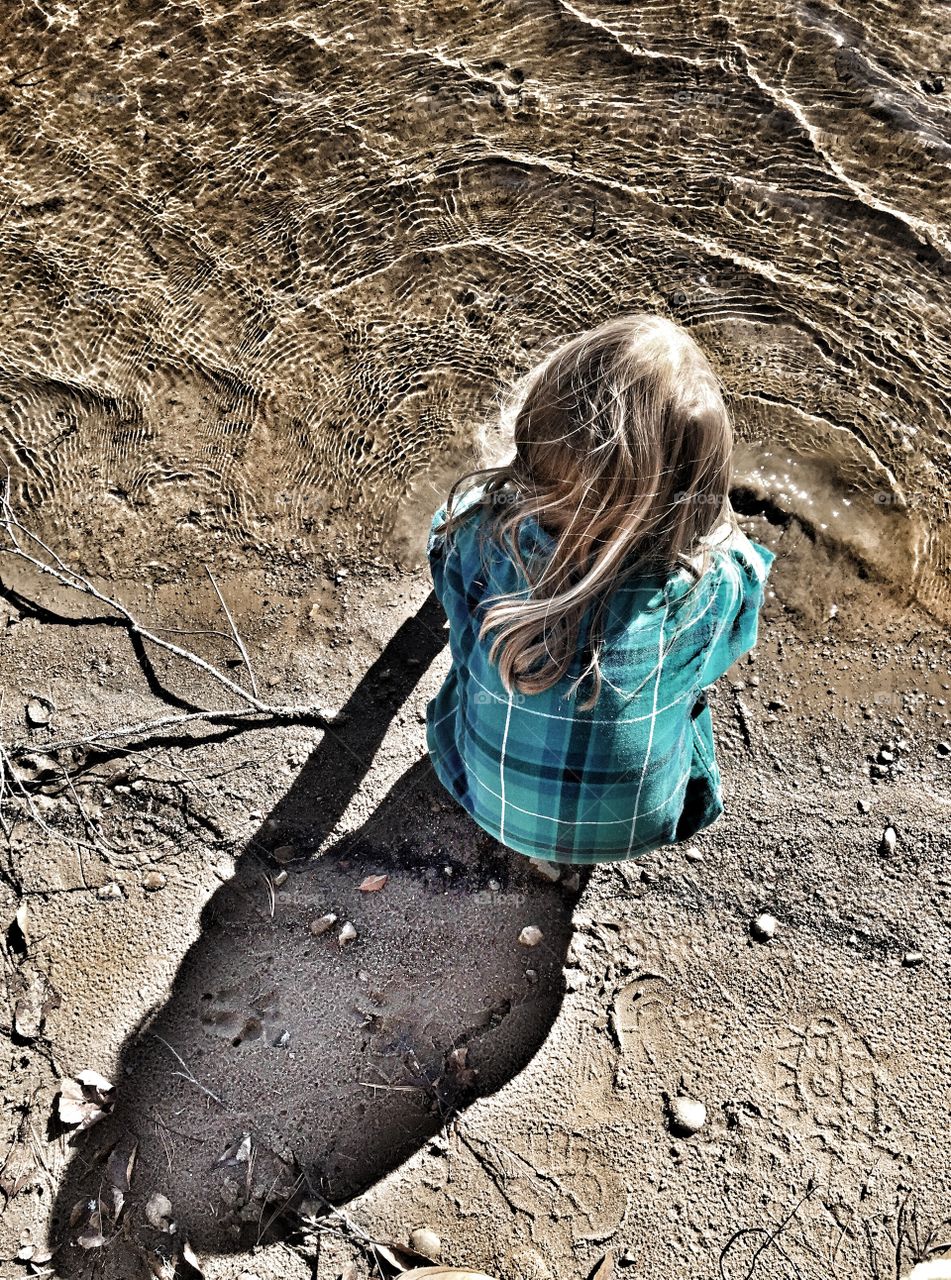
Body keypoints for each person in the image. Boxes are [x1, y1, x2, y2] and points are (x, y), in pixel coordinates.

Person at [424, 312, 775, 869]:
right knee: (684, 692)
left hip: (473, 791)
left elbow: (440, 556)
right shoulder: (709, 588)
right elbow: (722, 655)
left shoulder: (474, 536)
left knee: (480, 649)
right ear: (699, 490)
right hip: (638, 829)